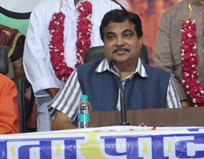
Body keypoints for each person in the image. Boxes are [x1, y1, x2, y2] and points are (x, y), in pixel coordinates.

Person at [25, 0, 122, 131]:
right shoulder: (42, 11)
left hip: (103, 104)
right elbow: (35, 58)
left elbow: (119, 55)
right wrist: (62, 98)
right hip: (54, 103)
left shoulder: (110, 10)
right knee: (55, 157)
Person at [49, 10, 182, 129]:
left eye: (127, 35)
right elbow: (60, 122)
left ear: (140, 40)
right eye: (111, 37)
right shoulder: (83, 75)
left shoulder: (161, 80)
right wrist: (88, 143)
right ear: (104, 43)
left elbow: (177, 126)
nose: (119, 43)